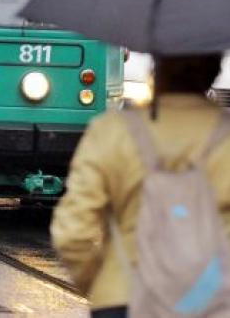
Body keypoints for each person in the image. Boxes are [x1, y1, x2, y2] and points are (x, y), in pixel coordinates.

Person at [51, 54, 230, 318]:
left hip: (122, 299)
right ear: (214, 71)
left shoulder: (112, 130)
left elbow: (73, 233)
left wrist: (102, 286)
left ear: (155, 69)